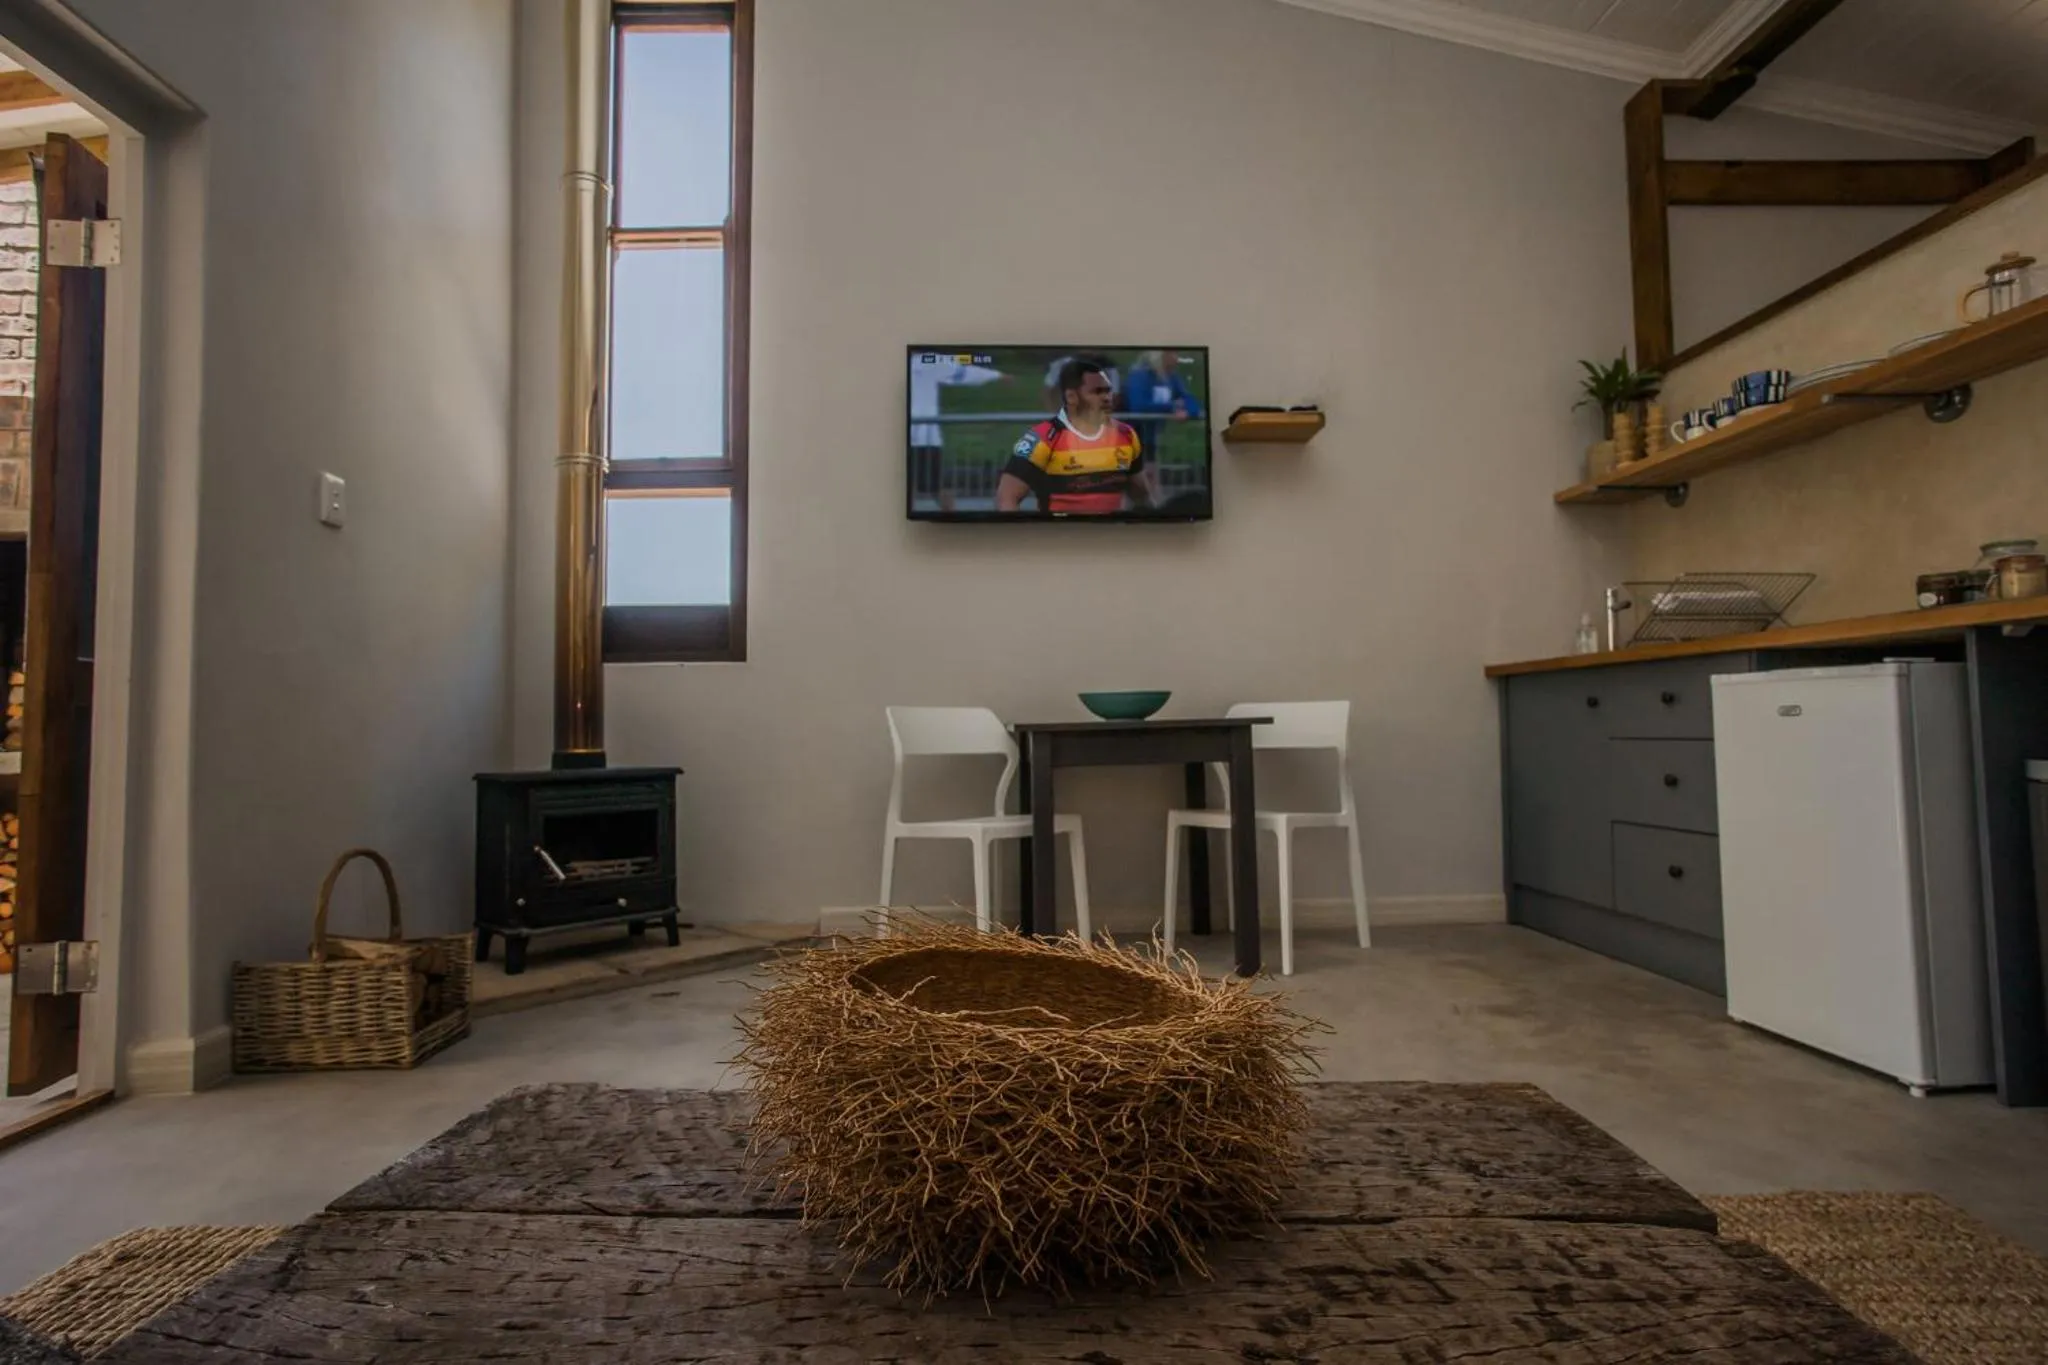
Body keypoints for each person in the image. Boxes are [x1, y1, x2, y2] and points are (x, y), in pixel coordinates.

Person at [997, 357, 1155, 515]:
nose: (1107, 398)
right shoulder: (1042, 439)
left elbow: (1142, 498)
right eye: (1097, 392)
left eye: (1108, 391)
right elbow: (1007, 497)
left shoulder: (1126, 435)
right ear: (1072, 397)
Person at [909, 351, 1004, 511]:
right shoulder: (926, 362)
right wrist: (997, 375)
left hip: (922, 436)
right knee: (934, 487)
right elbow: (963, 373)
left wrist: (995, 375)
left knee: (927, 486)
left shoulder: (924, 362)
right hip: (923, 437)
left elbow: (963, 371)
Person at [1122, 351, 1203, 480]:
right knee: (1138, 481)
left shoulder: (1172, 377)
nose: (1176, 358)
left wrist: (1188, 412)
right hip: (1131, 436)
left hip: (1151, 437)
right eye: (1171, 354)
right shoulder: (1140, 376)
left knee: (1151, 476)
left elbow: (1189, 399)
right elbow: (1138, 405)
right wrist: (1172, 406)